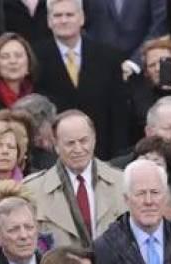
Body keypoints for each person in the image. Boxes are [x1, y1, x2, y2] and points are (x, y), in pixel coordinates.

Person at [31, 0, 129, 161]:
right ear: (49, 21)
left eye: (69, 15)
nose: (64, 20)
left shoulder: (108, 57)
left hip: (102, 152)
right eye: (57, 15)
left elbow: (118, 112)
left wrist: (119, 156)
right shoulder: (35, 57)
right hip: (54, 155)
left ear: (82, 18)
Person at [23, 110, 126, 247]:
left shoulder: (123, 182)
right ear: (56, 145)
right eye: (70, 143)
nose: (78, 149)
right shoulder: (32, 190)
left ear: (94, 140)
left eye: (84, 141)